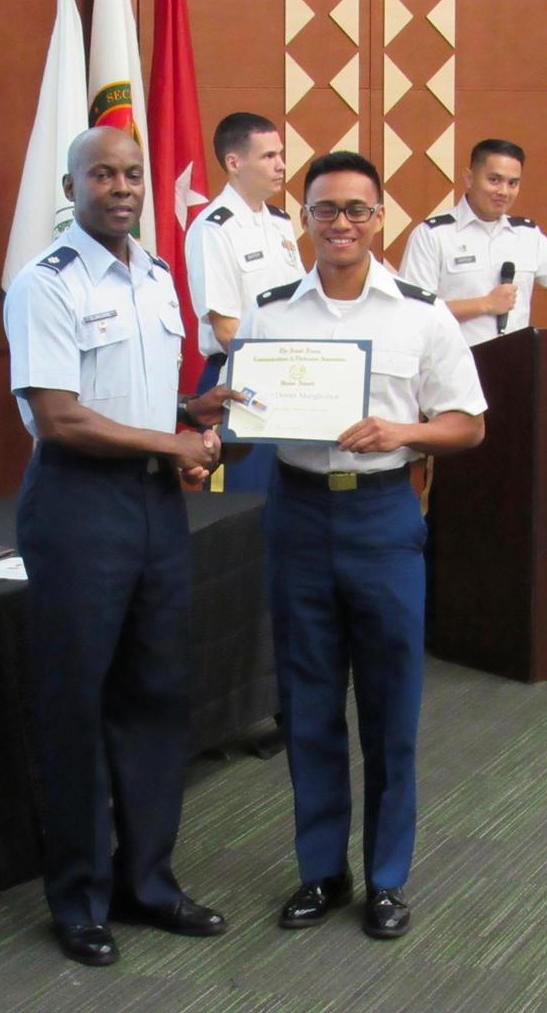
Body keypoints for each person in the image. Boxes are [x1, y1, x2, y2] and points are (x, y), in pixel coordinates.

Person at [3, 126, 241, 967]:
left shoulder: (158, 274)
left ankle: (147, 881)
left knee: (156, 697)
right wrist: (170, 446)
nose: (122, 186)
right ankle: (78, 898)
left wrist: (187, 415)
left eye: (133, 173)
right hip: (78, 512)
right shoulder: (46, 284)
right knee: (75, 706)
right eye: (102, 175)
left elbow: (134, 396)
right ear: (72, 190)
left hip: (152, 514)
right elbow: (61, 415)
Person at [236, 151, 486, 938]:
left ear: (381, 219)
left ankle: (385, 878)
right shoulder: (271, 312)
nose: (340, 223)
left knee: (388, 709)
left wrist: (402, 430)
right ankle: (321, 871)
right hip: (298, 516)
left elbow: (468, 423)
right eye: (324, 210)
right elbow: (244, 410)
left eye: (356, 210)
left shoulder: (420, 312)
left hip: (383, 517)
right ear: (302, 218)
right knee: (306, 706)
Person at [185, 111, 304, 490]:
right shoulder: (214, 227)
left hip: (288, 381)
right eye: (268, 156)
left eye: (281, 154)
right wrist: (274, 375)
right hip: (239, 382)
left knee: (288, 497)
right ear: (234, 163)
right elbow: (225, 328)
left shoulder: (281, 222)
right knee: (243, 504)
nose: (282, 165)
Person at [400, 138, 547, 347]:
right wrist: (485, 304)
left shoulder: (527, 235)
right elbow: (413, 311)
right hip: (452, 369)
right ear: (469, 178)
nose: (504, 191)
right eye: (494, 180)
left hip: (517, 369)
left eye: (513, 183)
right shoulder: (433, 235)